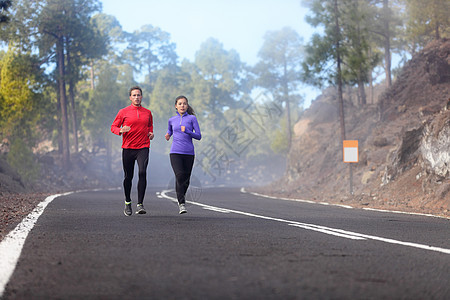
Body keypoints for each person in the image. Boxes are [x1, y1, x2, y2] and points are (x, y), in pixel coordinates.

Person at [111, 86, 154, 216]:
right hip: (128, 148)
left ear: (142, 97)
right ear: (130, 97)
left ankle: (140, 204)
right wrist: (120, 130)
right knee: (128, 176)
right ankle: (128, 202)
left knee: (142, 172)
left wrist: (151, 134)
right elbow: (113, 126)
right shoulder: (123, 112)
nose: (136, 97)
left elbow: (150, 126)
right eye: (134, 95)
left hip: (143, 147)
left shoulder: (147, 112)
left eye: (138, 95)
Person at [165, 95, 202, 214]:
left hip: (189, 153)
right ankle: (181, 203)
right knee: (179, 175)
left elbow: (199, 136)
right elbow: (170, 130)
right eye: (180, 104)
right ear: (176, 106)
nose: (182, 106)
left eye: (184, 103)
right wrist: (168, 135)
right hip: (175, 152)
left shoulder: (192, 119)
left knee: (186, 179)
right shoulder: (171, 120)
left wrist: (187, 131)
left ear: (187, 105)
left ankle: (182, 196)